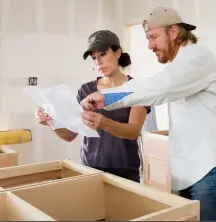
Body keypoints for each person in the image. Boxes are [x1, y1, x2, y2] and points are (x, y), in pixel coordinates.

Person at [80, 7, 216, 221]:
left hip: (212, 171)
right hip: (193, 175)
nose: (149, 45)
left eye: (153, 37)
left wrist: (106, 97)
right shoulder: (179, 67)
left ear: (174, 32)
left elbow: (159, 87)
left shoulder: (197, 56)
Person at [35, 30, 150, 183]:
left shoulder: (136, 88)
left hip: (125, 170)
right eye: (94, 57)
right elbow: (71, 135)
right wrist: (50, 122)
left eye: (102, 54)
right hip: (90, 168)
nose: (98, 62)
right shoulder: (86, 90)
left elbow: (133, 131)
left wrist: (106, 124)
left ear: (117, 53)